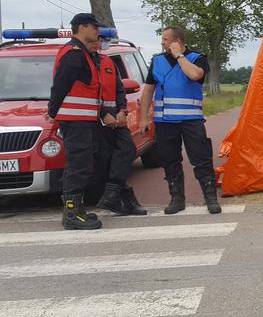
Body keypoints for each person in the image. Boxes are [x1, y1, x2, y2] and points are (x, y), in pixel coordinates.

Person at [138, 26, 221, 215]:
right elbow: (148, 90)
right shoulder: (157, 61)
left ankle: (210, 198)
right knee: (169, 159)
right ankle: (177, 198)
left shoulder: (196, 58)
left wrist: (179, 56)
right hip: (165, 121)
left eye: (165, 40)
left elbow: (195, 75)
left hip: (191, 120)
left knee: (201, 158)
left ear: (178, 42)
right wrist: (143, 117)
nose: (162, 43)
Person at [46, 13, 111, 229]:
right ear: (82, 28)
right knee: (78, 166)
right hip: (74, 120)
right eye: (95, 27)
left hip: (82, 119)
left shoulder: (82, 53)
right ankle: (72, 213)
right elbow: (61, 83)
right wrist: (52, 110)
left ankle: (77, 208)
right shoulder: (74, 53)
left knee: (83, 164)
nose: (98, 31)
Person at [91, 38, 147, 216]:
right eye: (93, 41)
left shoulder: (107, 61)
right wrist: (102, 113)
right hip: (96, 120)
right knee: (107, 160)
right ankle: (123, 199)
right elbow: (86, 93)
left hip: (116, 118)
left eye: (98, 41)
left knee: (127, 150)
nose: (97, 44)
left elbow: (119, 89)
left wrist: (122, 110)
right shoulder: (80, 63)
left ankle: (111, 195)